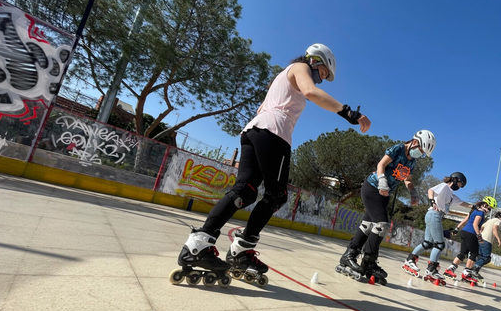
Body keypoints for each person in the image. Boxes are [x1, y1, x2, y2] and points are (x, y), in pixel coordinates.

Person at [171, 43, 371, 286]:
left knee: (244, 191)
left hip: (254, 130)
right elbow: (310, 92)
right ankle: (241, 252)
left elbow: (262, 107)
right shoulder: (299, 67)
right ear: (316, 61)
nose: (320, 80)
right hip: (274, 133)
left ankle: (198, 245)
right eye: (323, 74)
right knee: (276, 196)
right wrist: (349, 113)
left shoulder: (280, 78)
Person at [338, 130, 436, 284]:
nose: (421, 153)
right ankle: (368, 261)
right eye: (422, 149)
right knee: (381, 225)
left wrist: (413, 192)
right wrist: (382, 180)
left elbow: (407, 179)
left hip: (385, 194)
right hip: (372, 188)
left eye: (423, 153)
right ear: (415, 142)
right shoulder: (397, 149)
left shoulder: (412, 161)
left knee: (367, 225)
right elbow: (381, 164)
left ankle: (349, 256)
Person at [402, 172, 470, 283]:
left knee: (427, 243)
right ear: (455, 180)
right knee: (440, 244)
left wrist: (476, 206)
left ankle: (410, 260)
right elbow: (431, 190)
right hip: (434, 214)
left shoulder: (451, 195)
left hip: (434, 215)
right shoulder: (444, 187)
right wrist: (432, 201)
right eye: (460, 184)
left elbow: (463, 204)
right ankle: (431, 269)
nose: (459, 187)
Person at [443, 196, 497, 283]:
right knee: (474, 253)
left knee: (463, 253)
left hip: (464, 232)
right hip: (471, 234)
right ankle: (466, 274)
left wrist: (457, 228)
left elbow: (465, 220)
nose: (489, 210)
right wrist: (479, 236)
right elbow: (475, 225)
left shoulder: (474, 210)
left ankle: (450, 270)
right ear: (485, 205)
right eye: (489, 208)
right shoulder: (481, 213)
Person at [471, 212, 501, 281]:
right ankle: (474, 270)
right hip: (487, 240)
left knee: (480, 256)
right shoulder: (498, 221)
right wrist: (498, 239)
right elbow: (494, 228)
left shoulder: (490, 220)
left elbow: (482, 227)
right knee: (486, 258)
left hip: (481, 239)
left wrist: (480, 235)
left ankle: (474, 272)